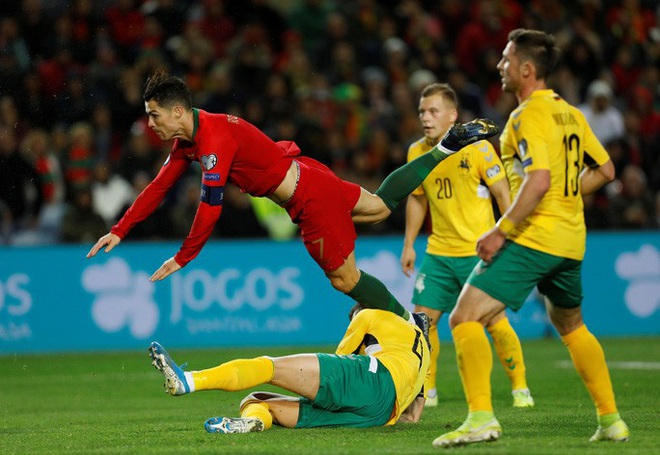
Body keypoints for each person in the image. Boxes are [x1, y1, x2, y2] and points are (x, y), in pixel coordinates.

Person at [86, 70, 498, 324]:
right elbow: (158, 187)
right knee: (378, 206)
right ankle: (447, 147)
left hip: (307, 198)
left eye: (154, 115)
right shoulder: (192, 138)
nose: (150, 124)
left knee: (345, 280)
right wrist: (120, 231)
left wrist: (183, 256)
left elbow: (210, 206)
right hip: (309, 175)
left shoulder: (212, 139)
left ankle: (410, 324)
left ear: (177, 112)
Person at [432, 29, 629, 448]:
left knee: (463, 317)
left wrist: (500, 230)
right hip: (572, 240)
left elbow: (537, 180)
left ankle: (481, 418)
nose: (499, 66)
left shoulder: (527, 116)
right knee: (571, 325)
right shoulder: (572, 114)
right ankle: (611, 420)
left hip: (535, 237)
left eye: (506, 60)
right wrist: (565, 195)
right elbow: (607, 171)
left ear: (526, 69)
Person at [400, 83, 533, 409]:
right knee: (422, 321)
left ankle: (520, 387)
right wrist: (409, 245)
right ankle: (426, 389)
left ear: (452, 115)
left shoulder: (478, 149)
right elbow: (417, 200)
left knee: (494, 320)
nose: (425, 118)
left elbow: (503, 195)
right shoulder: (417, 152)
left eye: (433, 111)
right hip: (439, 254)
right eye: (421, 112)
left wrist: (508, 236)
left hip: (478, 253)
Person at [148, 307, 430, 432]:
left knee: (268, 367)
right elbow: (414, 415)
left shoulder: (370, 314)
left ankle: (189, 380)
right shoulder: (423, 354)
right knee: (256, 401)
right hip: (378, 415)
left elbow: (338, 359)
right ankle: (254, 422)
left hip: (369, 381)